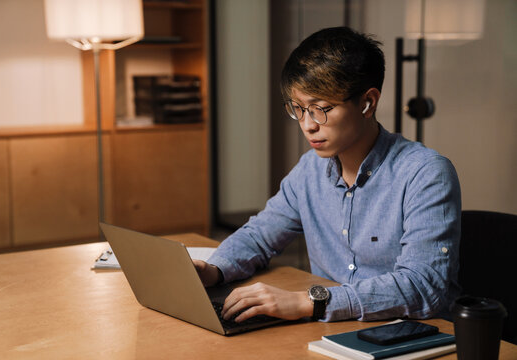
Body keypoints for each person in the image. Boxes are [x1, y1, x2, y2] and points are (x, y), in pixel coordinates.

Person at [194, 26, 461, 323]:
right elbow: (260, 235)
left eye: (321, 109)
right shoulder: (311, 169)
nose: (308, 125)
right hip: (332, 331)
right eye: (298, 109)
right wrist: (213, 270)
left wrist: (311, 301)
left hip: (414, 334)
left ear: (367, 103)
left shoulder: (425, 173)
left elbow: (423, 286)